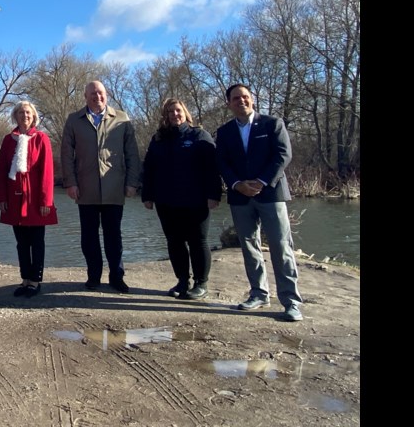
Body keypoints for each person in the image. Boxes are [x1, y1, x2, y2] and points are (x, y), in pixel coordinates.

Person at [216, 83, 304, 322]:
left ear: (252, 99)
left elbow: (283, 154)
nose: (241, 101)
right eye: (235, 99)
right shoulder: (224, 132)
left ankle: (291, 301)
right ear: (229, 103)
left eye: (245, 97)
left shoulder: (271, 124)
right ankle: (259, 293)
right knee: (249, 246)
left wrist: (262, 182)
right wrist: (237, 184)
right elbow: (222, 162)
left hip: (270, 194)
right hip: (240, 196)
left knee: (281, 246)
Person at [61, 80, 141, 293]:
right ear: (85, 97)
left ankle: (117, 276)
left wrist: (132, 182)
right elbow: (66, 156)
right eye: (93, 93)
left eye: (101, 93)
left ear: (107, 95)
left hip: (114, 187)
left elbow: (132, 153)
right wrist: (70, 183)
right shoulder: (74, 120)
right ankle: (93, 275)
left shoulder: (122, 119)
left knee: (114, 235)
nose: (98, 96)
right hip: (85, 188)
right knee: (89, 236)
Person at [141, 98, 222, 300]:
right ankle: (182, 281)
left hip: (196, 200)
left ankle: (201, 283)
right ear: (165, 116)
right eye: (170, 112)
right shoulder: (158, 139)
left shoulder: (199, 136)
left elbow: (212, 168)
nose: (175, 114)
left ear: (185, 113)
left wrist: (214, 194)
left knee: (197, 241)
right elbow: (149, 168)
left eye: (178, 111)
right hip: (166, 200)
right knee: (174, 242)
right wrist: (147, 195)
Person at [0, 101, 57, 298]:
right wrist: (2, 198)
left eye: (28, 113)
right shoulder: (8, 140)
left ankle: (36, 280)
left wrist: (46, 201)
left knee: (37, 241)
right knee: (21, 242)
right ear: (16, 116)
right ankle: (25, 279)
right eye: (21, 113)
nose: (25, 116)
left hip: (35, 198)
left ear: (34, 116)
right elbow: (3, 171)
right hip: (14, 198)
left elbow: (47, 172)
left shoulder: (41, 138)